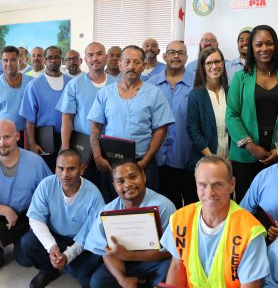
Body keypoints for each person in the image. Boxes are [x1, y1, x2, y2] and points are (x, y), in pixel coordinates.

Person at [161, 156, 271, 288]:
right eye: (202, 185)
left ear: (232, 185)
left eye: (217, 185)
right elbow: (177, 267)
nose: (209, 193)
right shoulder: (180, 219)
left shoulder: (250, 230)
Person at [74, 160, 177, 288]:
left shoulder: (164, 206)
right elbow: (106, 251)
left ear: (144, 176)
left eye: (133, 177)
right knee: (98, 283)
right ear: (114, 186)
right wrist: (123, 280)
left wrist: (128, 255)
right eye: (120, 181)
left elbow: (168, 251)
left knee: (168, 271)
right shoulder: (107, 211)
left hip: (155, 260)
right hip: (124, 262)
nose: (128, 184)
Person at [0, 120, 53, 281]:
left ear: (17, 136)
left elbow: (51, 197)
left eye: (7, 137)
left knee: (24, 260)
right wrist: (5, 211)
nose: (2, 143)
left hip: (27, 217)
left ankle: (20, 243)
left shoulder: (35, 162)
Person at [227, 25, 278, 201]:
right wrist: (251, 147)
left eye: (269, 43)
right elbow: (231, 115)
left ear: (275, 46)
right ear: (252, 49)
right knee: (246, 205)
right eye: (259, 44)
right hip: (245, 155)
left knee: (274, 204)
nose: (264, 49)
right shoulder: (240, 77)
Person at [15, 149, 105, 288]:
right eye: (60, 168)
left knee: (82, 277)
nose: (65, 174)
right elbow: (35, 219)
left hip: (79, 241)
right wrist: (52, 246)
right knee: (27, 243)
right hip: (55, 235)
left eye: (71, 169)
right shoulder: (46, 184)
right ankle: (47, 271)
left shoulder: (94, 196)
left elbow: (89, 235)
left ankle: (64, 264)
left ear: (82, 169)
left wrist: (68, 256)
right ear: (55, 168)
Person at [88, 45, 174, 193]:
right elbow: (95, 126)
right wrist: (97, 156)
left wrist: (146, 160)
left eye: (136, 62)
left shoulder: (154, 93)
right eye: (127, 62)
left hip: (142, 162)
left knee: (143, 208)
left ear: (144, 65)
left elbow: (161, 130)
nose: (131, 67)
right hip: (111, 163)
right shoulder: (105, 93)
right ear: (120, 65)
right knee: (112, 207)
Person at [58, 42, 118, 200]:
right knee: (86, 191)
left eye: (99, 54)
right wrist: (65, 147)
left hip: (111, 147)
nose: (95, 58)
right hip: (83, 148)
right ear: (85, 59)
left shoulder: (117, 84)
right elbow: (67, 117)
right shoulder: (75, 85)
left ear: (105, 57)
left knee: (112, 191)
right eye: (90, 55)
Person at [151, 41, 197, 207]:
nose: (176, 56)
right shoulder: (151, 84)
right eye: (171, 52)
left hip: (188, 158)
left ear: (186, 57)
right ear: (164, 56)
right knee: (165, 207)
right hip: (157, 159)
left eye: (180, 52)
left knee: (192, 206)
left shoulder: (198, 83)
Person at [20, 46, 71, 170]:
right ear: (45, 60)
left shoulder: (71, 83)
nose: (53, 61)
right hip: (43, 138)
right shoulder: (34, 85)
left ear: (62, 59)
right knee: (46, 172)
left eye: (57, 57)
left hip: (69, 138)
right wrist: (32, 143)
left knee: (65, 174)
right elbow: (29, 119)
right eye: (49, 58)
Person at [186, 47, 230, 172]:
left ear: (223, 63)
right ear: (202, 67)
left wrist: (230, 158)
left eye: (217, 61)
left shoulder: (231, 91)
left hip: (230, 160)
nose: (214, 66)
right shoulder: (195, 95)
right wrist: (212, 158)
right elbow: (193, 131)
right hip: (205, 161)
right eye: (209, 63)